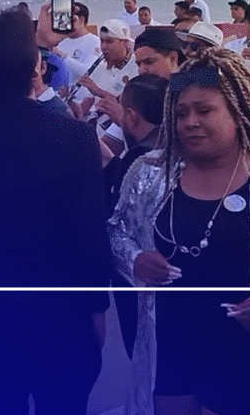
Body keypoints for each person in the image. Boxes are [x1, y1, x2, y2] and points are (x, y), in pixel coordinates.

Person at [110, 47, 250, 415]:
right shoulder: (148, 173)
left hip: (243, 352)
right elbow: (117, 231)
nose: (190, 122)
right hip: (170, 346)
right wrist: (134, 258)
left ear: (238, 113)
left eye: (205, 110)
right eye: (181, 113)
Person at [0, 6, 109, 414]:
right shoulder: (73, 136)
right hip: (62, 312)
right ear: (36, 67)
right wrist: (98, 310)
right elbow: (90, 232)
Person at [102, 74, 168, 359]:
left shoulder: (142, 158)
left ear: (130, 115)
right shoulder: (178, 146)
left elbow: (120, 219)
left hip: (143, 276)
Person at [56, 2, 102, 73]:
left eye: (68, 20)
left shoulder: (94, 41)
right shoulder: (59, 41)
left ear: (81, 20)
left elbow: (88, 70)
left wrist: (63, 56)